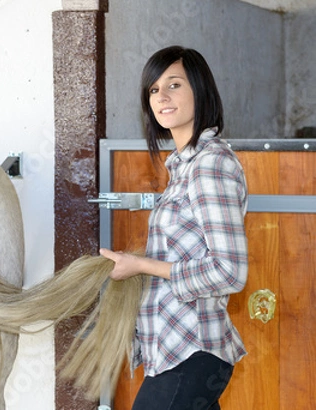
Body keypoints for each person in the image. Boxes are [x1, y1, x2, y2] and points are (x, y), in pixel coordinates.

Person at [100, 45, 249, 409]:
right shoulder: (184, 167)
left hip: (190, 350)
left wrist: (142, 265)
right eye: (153, 89)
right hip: (172, 349)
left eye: (174, 85)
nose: (161, 96)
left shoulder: (210, 165)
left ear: (200, 91)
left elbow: (229, 272)